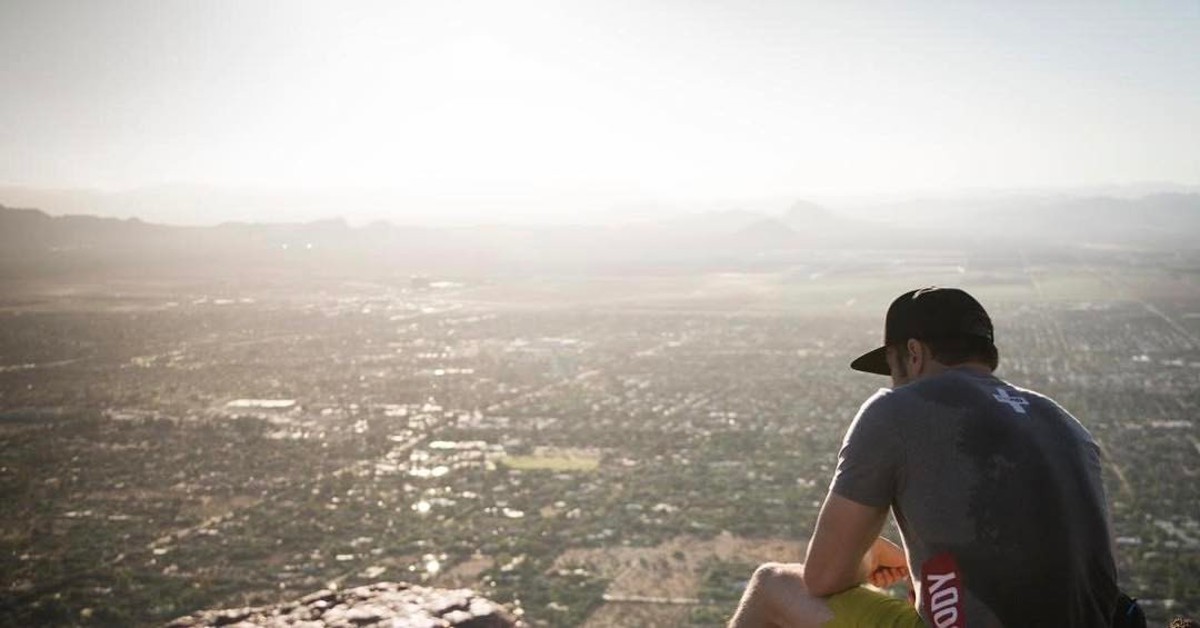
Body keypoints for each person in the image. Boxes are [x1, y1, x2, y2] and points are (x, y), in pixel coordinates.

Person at [728, 287, 1119, 627]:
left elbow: (824, 578)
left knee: (771, 586)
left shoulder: (895, 409)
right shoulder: (1064, 422)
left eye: (892, 368)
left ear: (914, 354)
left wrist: (866, 557)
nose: (893, 383)